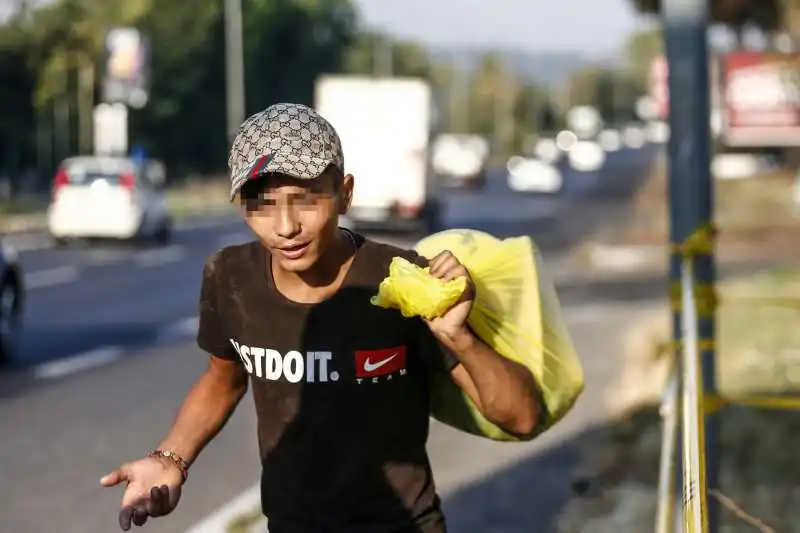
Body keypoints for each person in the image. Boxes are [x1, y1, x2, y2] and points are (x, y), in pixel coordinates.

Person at [100, 102, 543, 532]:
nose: (285, 226)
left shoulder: (401, 282)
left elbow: (521, 418)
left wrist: (460, 337)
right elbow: (224, 378)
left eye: (304, 201)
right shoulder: (230, 277)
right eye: (262, 204)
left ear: (344, 193)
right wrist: (170, 458)